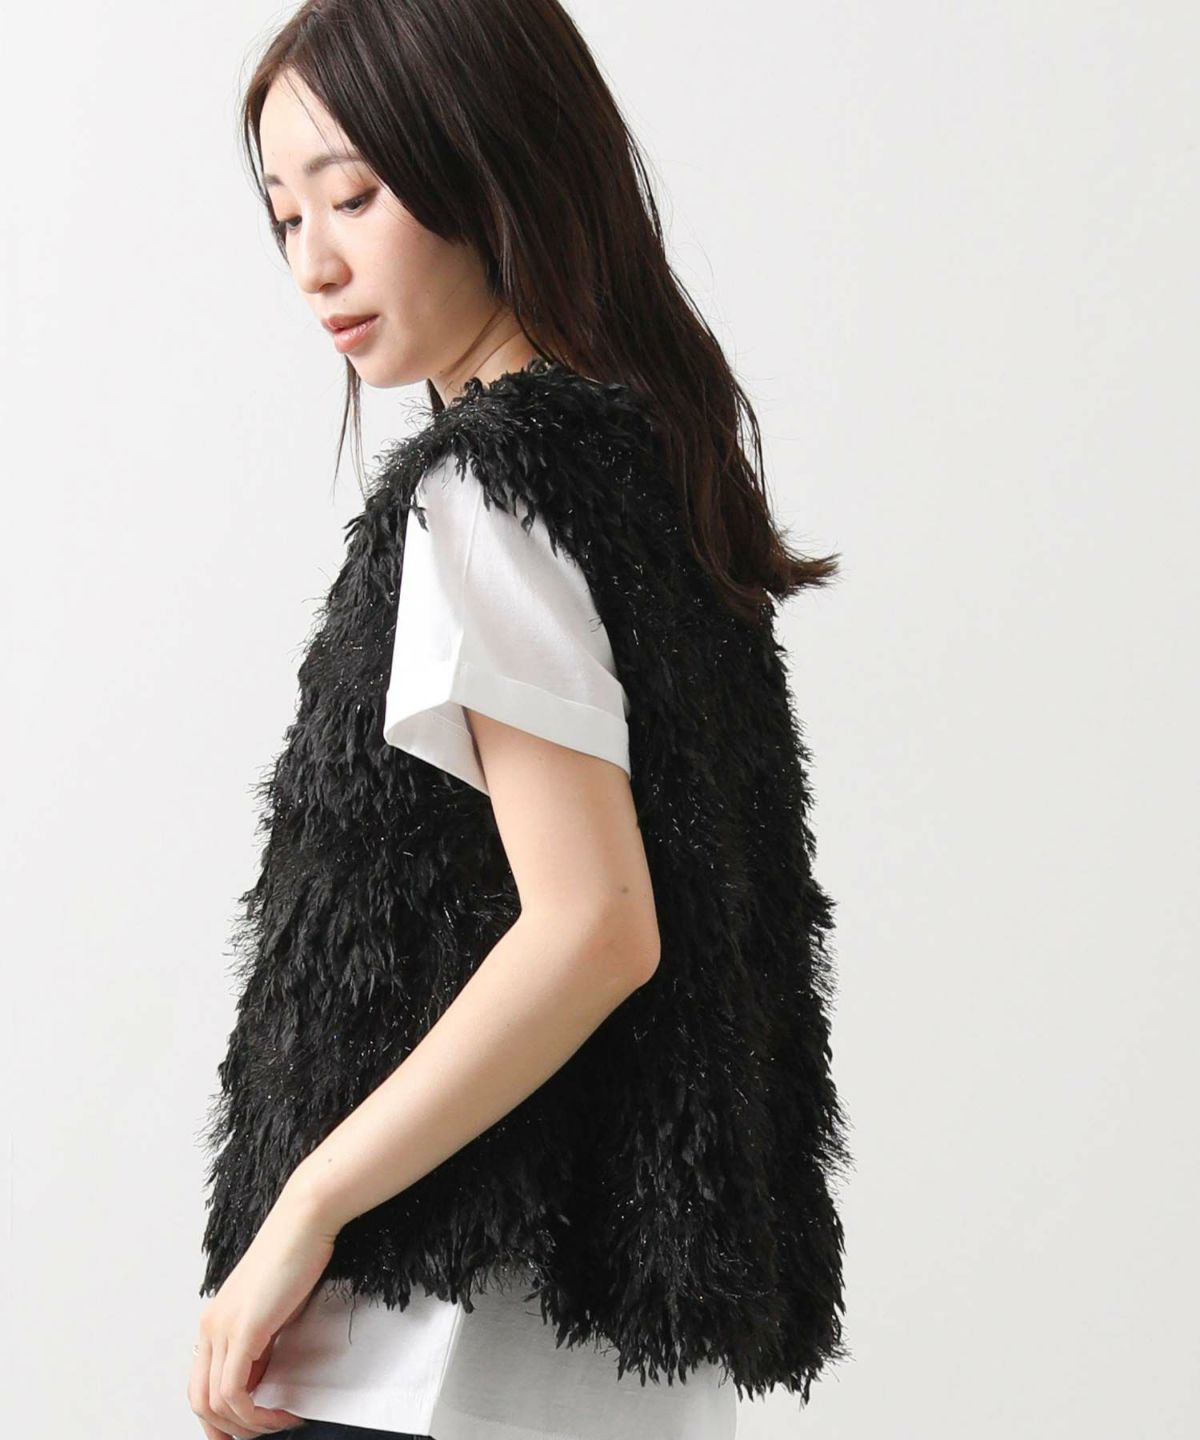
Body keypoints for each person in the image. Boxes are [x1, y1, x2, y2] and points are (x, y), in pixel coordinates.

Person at [188, 4, 849, 1439]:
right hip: (612, 1336)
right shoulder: (649, 472)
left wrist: (304, 1203)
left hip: (438, 1341)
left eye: (355, 196)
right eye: (286, 213)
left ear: (493, 164)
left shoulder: (485, 491)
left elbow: (594, 926)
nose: (313, 262)